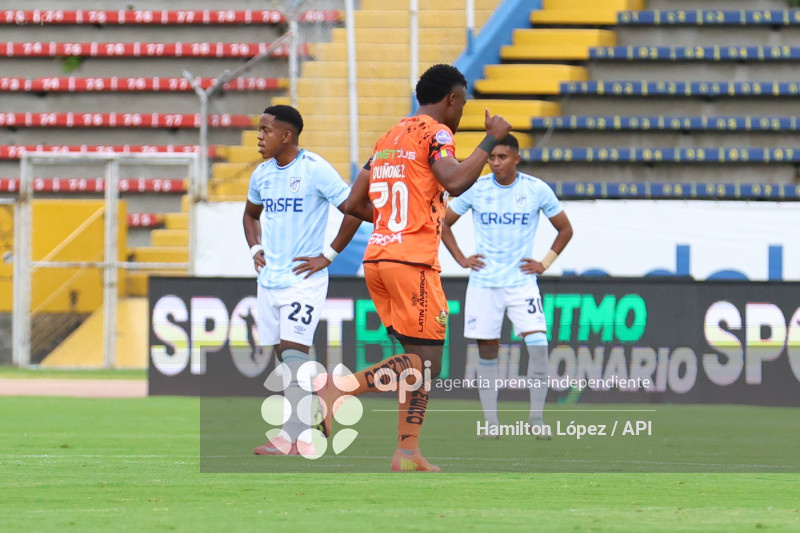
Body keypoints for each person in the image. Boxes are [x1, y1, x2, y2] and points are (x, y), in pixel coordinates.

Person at [318, 64, 511, 472]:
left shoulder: (389, 136)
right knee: (427, 365)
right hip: (412, 261)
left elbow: (354, 204)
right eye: (462, 105)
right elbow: (455, 181)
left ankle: (407, 451)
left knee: (414, 362)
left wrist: (393, 220)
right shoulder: (437, 134)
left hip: (379, 259)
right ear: (452, 100)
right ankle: (339, 387)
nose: (460, 115)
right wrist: (491, 138)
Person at [243, 104, 361, 456]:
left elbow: (354, 209)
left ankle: (292, 437)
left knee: (294, 353)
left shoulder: (315, 170)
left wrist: (329, 255)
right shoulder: (262, 174)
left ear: (287, 135)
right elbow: (250, 215)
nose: (260, 137)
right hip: (270, 280)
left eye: (266, 130)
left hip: (303, 279)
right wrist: (255, 249)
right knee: (285, 356)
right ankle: (318, 399)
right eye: (259, 130)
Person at [441, 133, 573, 437]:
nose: (495, 163)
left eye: (502, 157)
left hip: (521, 282)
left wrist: (545, 262)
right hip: (484, 283)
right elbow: (443, 222)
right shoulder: (476, 187)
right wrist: (461, 258)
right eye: (492, 157)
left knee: (538, 347)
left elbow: (565, 229)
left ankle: (536, 419)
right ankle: (491, 423)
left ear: (516, 158)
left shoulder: (536, 189)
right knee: (488, 351)